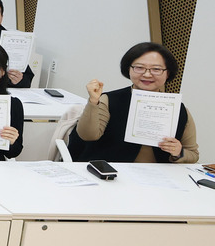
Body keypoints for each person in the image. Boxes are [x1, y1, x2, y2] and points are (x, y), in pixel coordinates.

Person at [70, 42, 199, 164]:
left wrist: (178, 152)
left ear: (167, 73)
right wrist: (93, 101)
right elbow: (88, 135)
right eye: (139, 68)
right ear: (129, 69)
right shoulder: (109, 100)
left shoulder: (179, 110)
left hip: (157, 179)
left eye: (156, 69)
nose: (147, 74)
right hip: (110, 174)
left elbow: (193, 155)